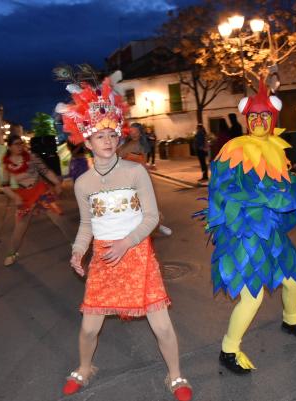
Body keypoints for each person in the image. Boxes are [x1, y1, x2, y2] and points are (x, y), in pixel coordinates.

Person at [57, 77, 192, 401]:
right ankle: (85, 367)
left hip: (136, 253)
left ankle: (175, 376)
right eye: (100, 135)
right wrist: (78, 251)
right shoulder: (83, 183)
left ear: (118, 136)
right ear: (87, 141)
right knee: (90, 327)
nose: (107, 139)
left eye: (112, 134)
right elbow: (87, 225)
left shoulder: (135, 172)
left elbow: (151, 217)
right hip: (104, 258)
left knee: (160, 325)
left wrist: (126, 243)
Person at [199, 79, 296, 374]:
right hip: (244, 233)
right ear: (246, 120)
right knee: (253, 294)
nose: (259, 121)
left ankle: (292, 318)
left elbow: (288, 185)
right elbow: (221, 191)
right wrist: (265, 199)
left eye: (264, 116)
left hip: (270, 230)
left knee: (295, 278)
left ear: (273, 119)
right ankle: (229, 349)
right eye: (253, 117)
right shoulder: (233, 151)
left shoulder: (276, 149)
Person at [1, 135, 73, 266]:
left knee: (58, 217)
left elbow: (45, 171)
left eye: (21, 143)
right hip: (24, 197)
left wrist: (57, 183)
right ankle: (11, 254)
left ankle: (76, 242)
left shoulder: (31, 157)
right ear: (9, 146)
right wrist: (15, 197)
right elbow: (4, 186)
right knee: (20, 227)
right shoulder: (7, 163)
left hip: (41, 191)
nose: (20, 146)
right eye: (16, 144)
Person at [120, 122, 173, 236]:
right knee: (132, 205)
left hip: (140, 176)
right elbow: (119, 156)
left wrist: (146, 167)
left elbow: (141, 161)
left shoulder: (141, 144)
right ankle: (135, 228)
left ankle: (157, 225)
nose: (132, 133)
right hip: (126, 177)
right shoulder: (126, 143)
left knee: (149, 203)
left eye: (135, 131)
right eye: (131, 131)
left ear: (140, 132)